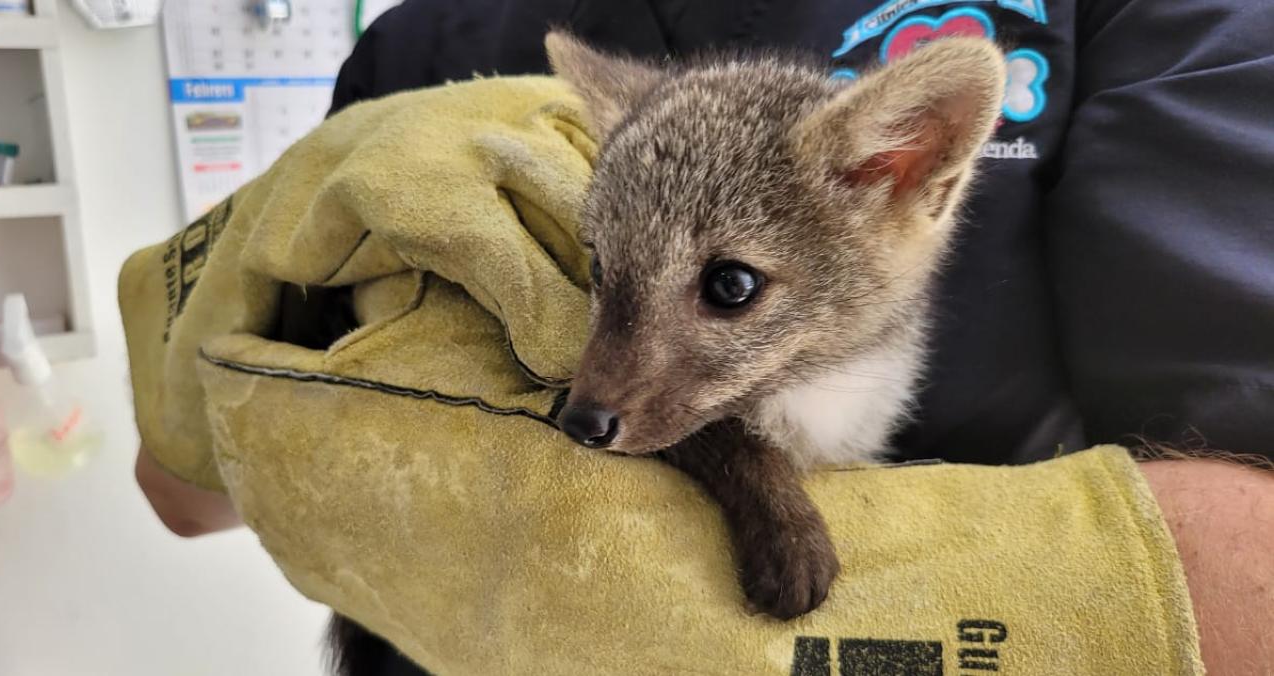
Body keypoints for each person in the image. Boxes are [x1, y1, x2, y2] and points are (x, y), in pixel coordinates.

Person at [136, 0, 1274, 673]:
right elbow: (185, 489)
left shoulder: (1140, 17)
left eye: (727, 288)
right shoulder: (422, 39)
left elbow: (1254, 571)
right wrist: (208, 360)